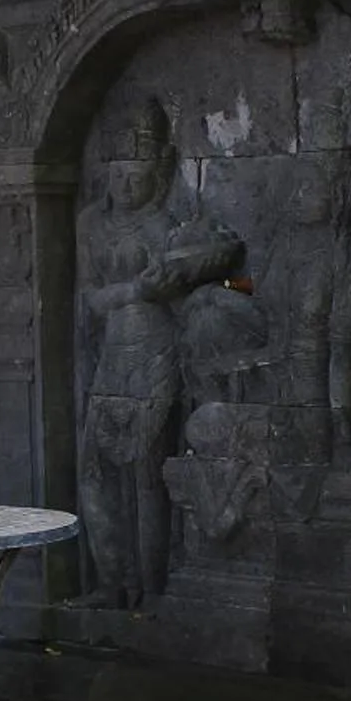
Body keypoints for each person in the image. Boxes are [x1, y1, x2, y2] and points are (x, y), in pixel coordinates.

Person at [75, 100, 242, 608]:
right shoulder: (92, 226)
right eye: (118, 168)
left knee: (149, 476)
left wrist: (186, 279)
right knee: (96, 473)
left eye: (139, 168)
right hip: (111, 357)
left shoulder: (174, 227)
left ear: (163, 167)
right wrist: (137, 290)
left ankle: (151, 588)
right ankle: (111, 581)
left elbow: (231, 272)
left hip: (157, 353)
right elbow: (90, 300)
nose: (127, 180)